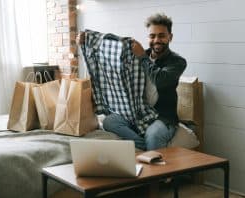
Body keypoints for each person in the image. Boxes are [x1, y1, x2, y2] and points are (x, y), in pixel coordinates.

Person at [77, 13, 186, 150]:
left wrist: (142, 57)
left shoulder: (177, 62)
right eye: (152, 36)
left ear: (170, 37)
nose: (156, 40)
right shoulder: (136, 55)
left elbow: (160, 80)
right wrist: (86, 42)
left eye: (161, 36)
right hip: (138, 113)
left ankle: (151, 158)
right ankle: (144, 147)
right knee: (110, 122)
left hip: (163, 117)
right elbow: (112, 61)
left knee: (153, 135)